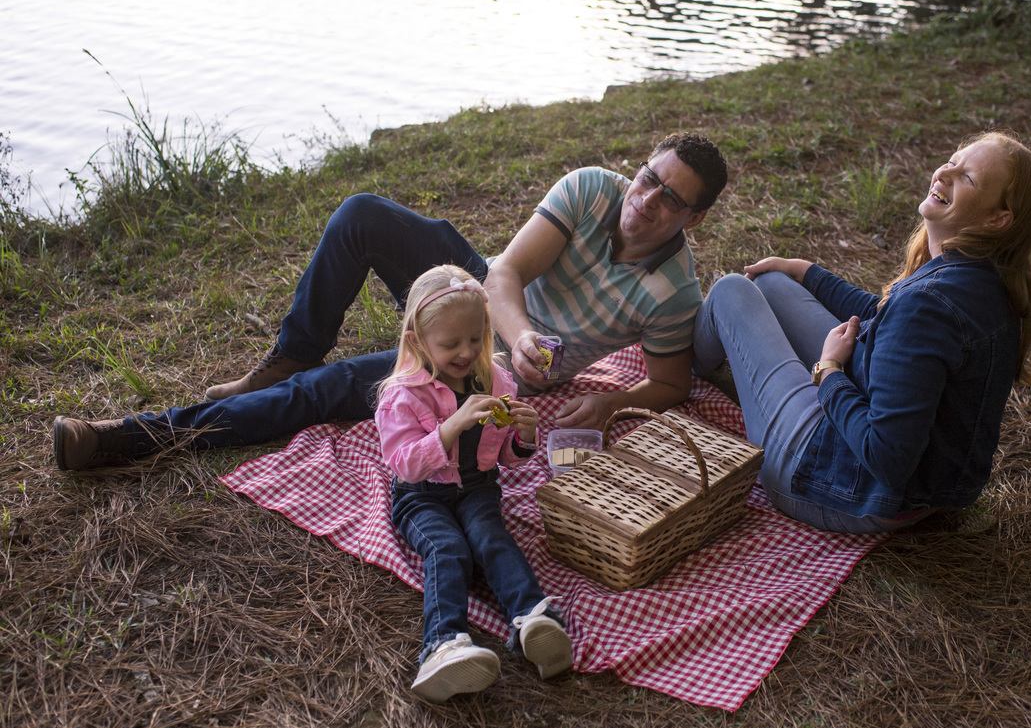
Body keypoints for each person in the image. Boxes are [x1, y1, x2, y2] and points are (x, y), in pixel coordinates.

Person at [53, 132, 728, 470]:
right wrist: (520, 331)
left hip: (490, 367)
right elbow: (505, 274)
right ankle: (290, 353)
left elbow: (670, 382)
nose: (647, 200)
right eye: (649, 178)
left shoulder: (675, 293)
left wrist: (610, 401)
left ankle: (137, 436)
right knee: (362, 214)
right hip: (487, 299)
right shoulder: (591, 188)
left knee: (336, 388)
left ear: (692, 220)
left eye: (672, 198)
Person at [692, 131, 1031, 533]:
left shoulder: (929, 304)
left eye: (968, 178)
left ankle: (684, 372)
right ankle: (721, 365)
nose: (946, 171)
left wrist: (829, 373)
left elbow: (888, 458)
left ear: (997, 219)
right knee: (772, 283)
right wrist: (806, 271)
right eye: (953, 159)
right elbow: (891, 326)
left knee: (729, 292)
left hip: (840, 486)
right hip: (924, 493)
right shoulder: (989, 280)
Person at [374, 264, 570, 702]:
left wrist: (525, 435)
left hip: (477, 487)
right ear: (417, 342)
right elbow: (404, 465)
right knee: (449, 549)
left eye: (475, 339)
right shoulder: (402, 396)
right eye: (450, 344)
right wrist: (451, 427)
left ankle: (533, 619)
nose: (465, 352)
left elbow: (504, 457)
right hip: (420, 497)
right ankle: (444, 645)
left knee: (490, 537)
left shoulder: (497, 382)